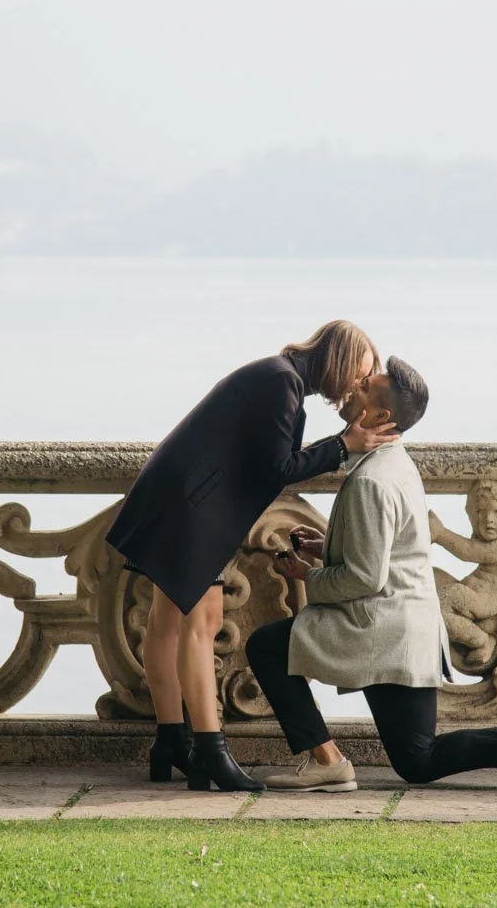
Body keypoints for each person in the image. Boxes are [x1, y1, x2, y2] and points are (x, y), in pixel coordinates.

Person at [248, 356, 497, 794]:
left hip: (378, 629)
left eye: (364, 386)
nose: (353, 385)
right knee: (417, 759)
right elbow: (393, 548)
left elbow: (365, 578)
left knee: (266, 647)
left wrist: (307, 574)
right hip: (409, 627)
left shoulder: (370, 481)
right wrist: (325, 548)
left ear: (380, 416)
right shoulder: (396, 462)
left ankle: (326, 761)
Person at [106, 321, 402, 792]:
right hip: (192, 508)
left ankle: (170, 742)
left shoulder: (278, 376)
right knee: (203, 622)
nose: (357, 387)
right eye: (360, 375)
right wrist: (345, 445)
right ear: (341, 359)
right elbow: (278, 469)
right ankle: (210, 753)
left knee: (166, 622)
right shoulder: (281, 381)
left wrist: (341, 442)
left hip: (181, 498)